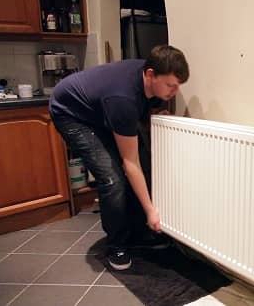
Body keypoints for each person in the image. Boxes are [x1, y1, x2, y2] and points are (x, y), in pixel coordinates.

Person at [49, 45, 190, 270]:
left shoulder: (149, 82)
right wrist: (151, 210)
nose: (174, 91)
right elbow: (130, 163)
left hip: (101, 109)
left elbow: (142, 115)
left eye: (178, 87)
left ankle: (138, 233)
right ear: (151, 74)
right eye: (171, 85)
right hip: (71, 114)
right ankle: (116, 245)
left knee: (143, 160)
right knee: (112, 178)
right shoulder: (122, 99)